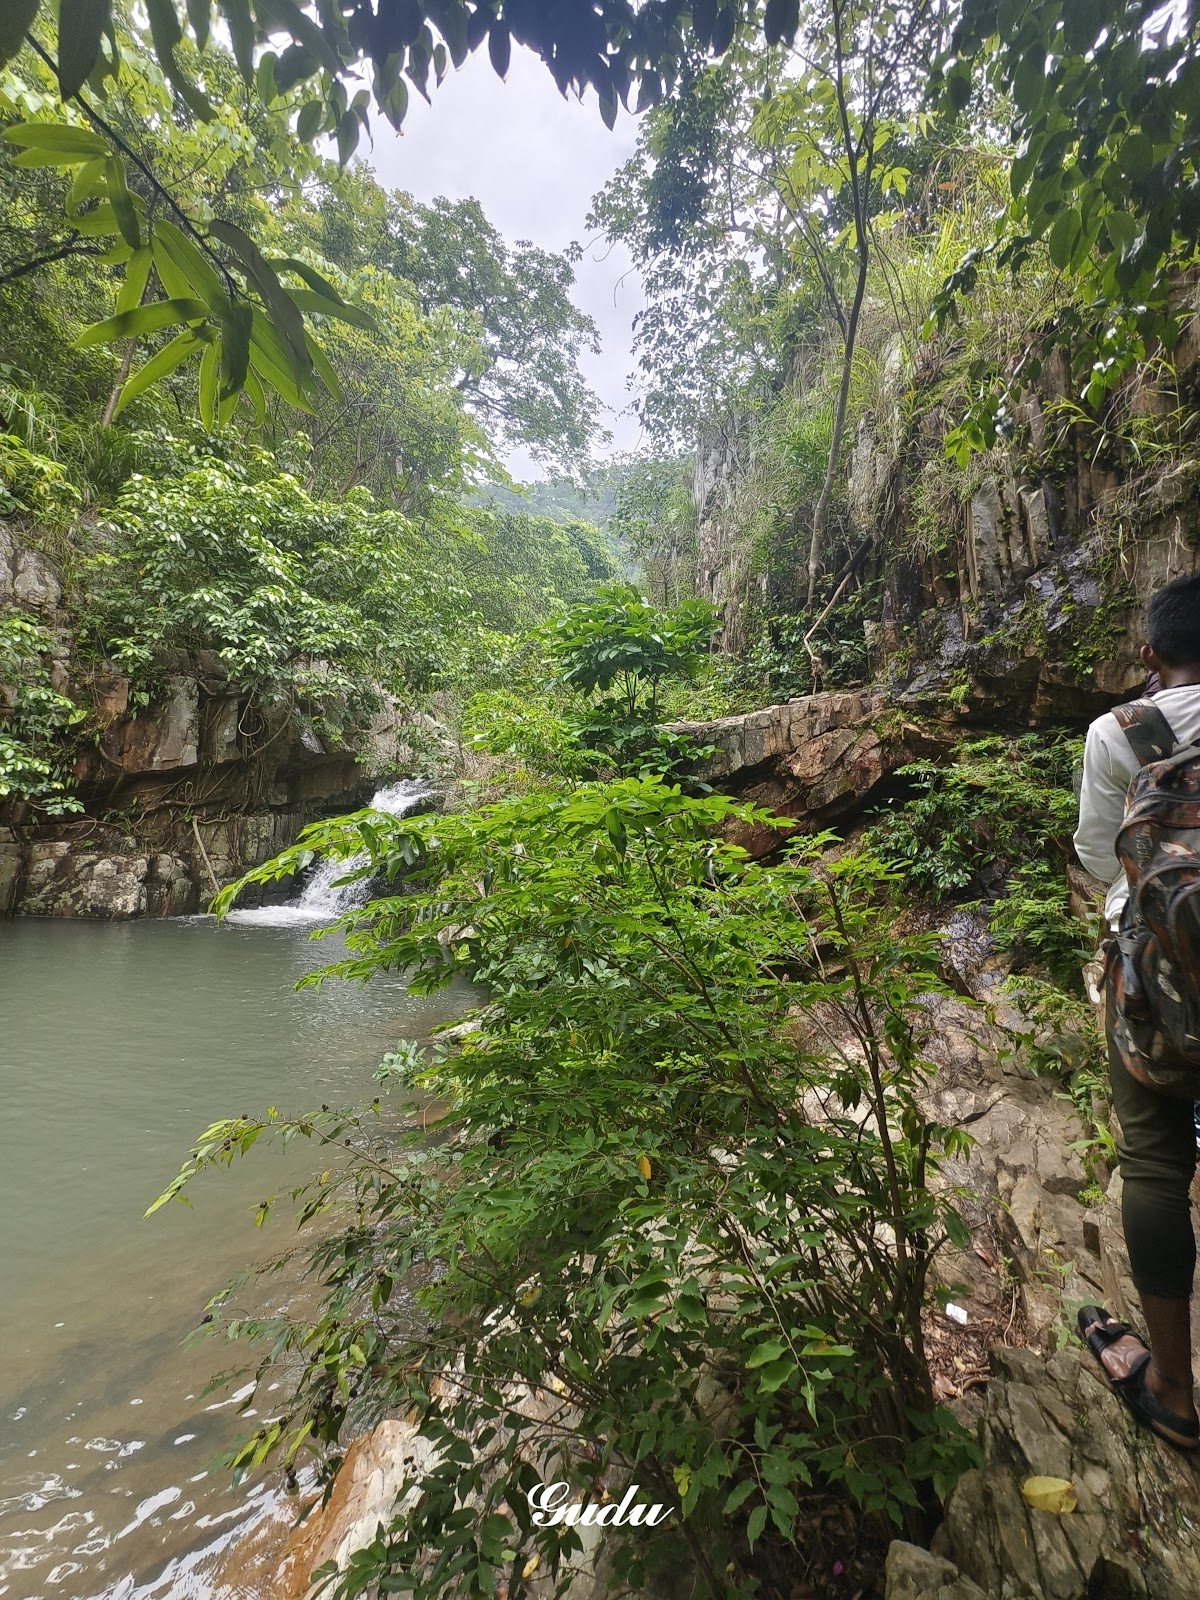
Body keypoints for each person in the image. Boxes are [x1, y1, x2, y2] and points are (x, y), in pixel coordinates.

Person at [1072, 571, 1200, 1451]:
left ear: (1151, 652)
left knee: (1154, 1165)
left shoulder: (1121, 731)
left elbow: (1095, 855)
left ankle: (1175, 1393)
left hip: (1157, 985)